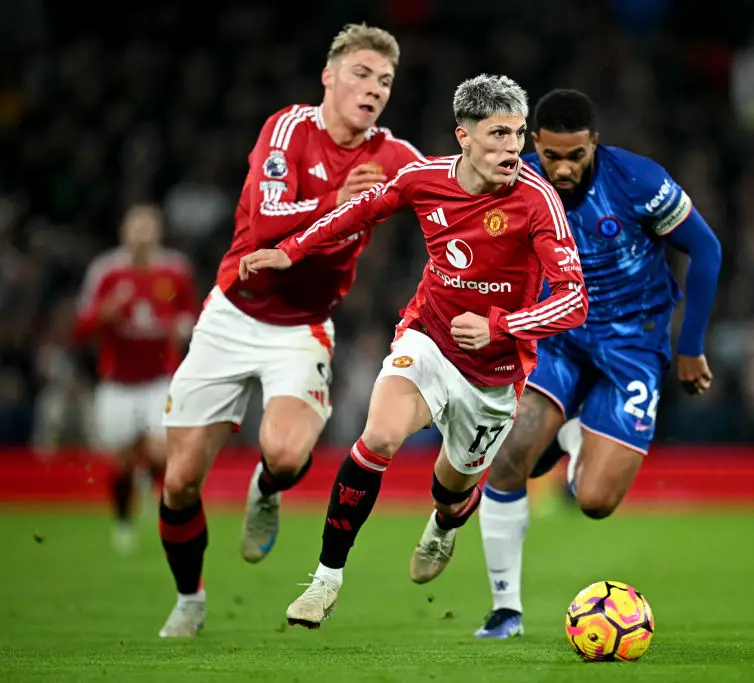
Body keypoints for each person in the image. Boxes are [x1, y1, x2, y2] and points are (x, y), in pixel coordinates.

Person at [238, 73, 589, 630]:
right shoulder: (424, 179)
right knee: (378, 436)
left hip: (494, 374)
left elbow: (573, 300)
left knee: (451, 491)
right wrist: (291, 250)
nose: (512, 148)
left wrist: (501, 326)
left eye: (519, 134)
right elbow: (359, 211)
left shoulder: (537, 200)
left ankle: (444, 524)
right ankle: (326, 579)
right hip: (428, 339)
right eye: (498, 134)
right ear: (464, 136)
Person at [157, 24, 423, 638]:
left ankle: (267, 488)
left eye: (385, 81)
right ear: (328, 77)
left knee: (284, 453)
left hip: (302, 326)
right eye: (361, 74)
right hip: (232, 315)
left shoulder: (393, 157)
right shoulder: (288, 130)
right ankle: (190, 599)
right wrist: (339, 197)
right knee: (180, 481)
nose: (374, 89)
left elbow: (447, 188)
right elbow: (266, 225)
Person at [473, 89, 722, 638]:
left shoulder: (640, 182)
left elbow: (706, 249)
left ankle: (571, 433)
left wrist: (690, 347)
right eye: (551, 155)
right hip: (557, 337)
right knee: (509, 456)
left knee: (595, 502)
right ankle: (505, 610)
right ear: (534, 144)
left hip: (633, 345)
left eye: (576, 156)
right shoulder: (511, 181)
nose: (563, 169)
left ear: (594, 144)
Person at [75, 203, 197, 553]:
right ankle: (124, 521)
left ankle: (164, 513)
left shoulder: (175, 270)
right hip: (117, 381)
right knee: (122, 460)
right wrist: (104, 314)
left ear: (158, 232)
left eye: (148, 227)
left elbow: (192, 313)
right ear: (124, 232)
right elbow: (81, 326)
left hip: (160, 378)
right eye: (136, 227)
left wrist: (182, 328)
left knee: (160, 451)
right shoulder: (106, 272)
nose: (142, 234)